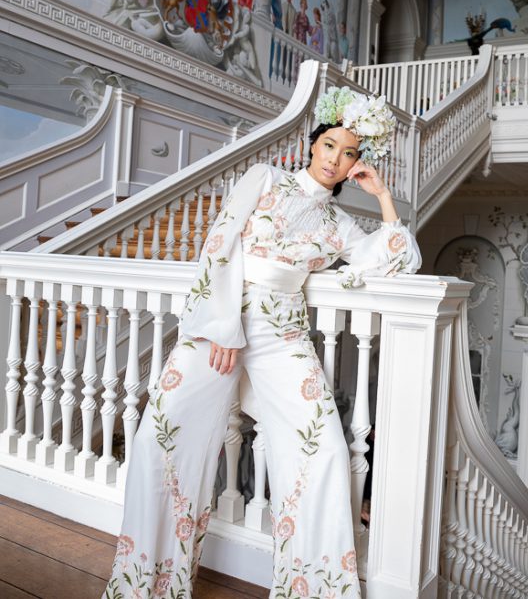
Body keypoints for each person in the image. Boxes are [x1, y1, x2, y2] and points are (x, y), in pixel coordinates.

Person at [102, 86, 421, 599]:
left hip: (284, 336)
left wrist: (382, 197)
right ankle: (149, 586)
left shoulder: (340, 224)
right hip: (219, 326)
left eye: (350, 154)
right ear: (312, 144)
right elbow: (220, 244)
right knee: (157, 438)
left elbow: (398, 258)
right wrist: (223, 326)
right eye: (330, 147)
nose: (336, 161)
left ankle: (310, 589)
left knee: (327, 454)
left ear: (356, 164)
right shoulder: (265, 178)